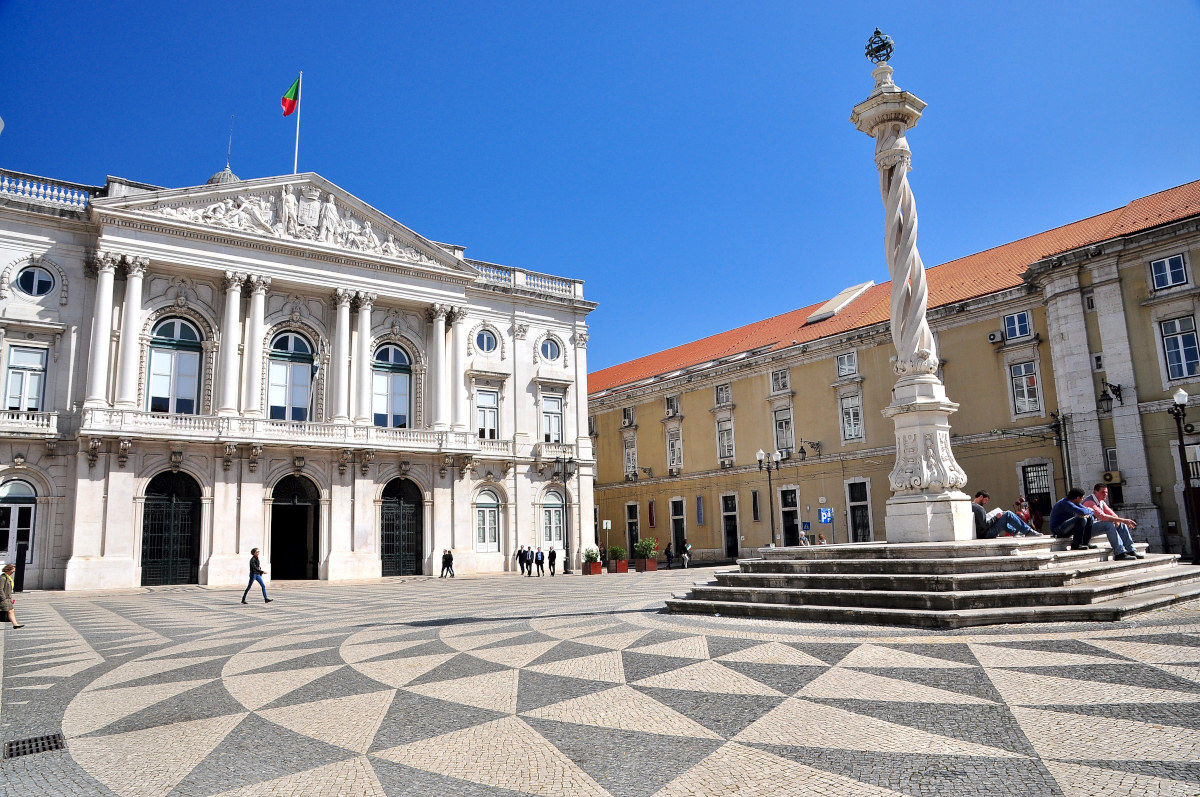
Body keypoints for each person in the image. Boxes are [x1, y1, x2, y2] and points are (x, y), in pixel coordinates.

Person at [1083, 484, 1144, 560]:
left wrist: (1119, 521)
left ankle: (1130, 550)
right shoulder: (1089, 502)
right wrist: (1123, 520)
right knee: (1108, 524)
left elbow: (1111, 513)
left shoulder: (1101, 502)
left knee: (1121, 524)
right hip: (1084, 530)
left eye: (1106, 492)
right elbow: (1103, 517)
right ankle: (1119, 553)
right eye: (1103, 492)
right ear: (1095, 492)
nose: (1105, 494)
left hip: (1092, 526)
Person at [971, 491, 1041, 539]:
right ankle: (1028, 531)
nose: (986, 502)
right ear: (981, 497)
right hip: (986, 534)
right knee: (1008, 514)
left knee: (1003, 518)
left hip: (981, 534)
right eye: (986, 500)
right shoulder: (979, 508)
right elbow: (984, 526)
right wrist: (996, 517)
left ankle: (1017, 533)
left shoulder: (971, 506)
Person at [2, 564, 22, 628]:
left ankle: (15, 624)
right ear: (7, 570)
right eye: (12, 571)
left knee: (11, 610)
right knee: (9, 611)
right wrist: (3, 598)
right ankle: (15, 624)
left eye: (13, 571)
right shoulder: (3, 578)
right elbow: (0, 589)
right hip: (3, 599)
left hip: (8, 598)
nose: (12, 573)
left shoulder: (8, 577)